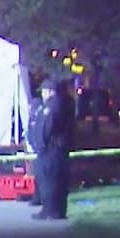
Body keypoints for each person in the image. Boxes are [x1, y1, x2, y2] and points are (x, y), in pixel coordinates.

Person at [33, 77, 75, 220]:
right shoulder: (65, 103)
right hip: (59, 150)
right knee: (58, 182)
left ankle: (50, 211)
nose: (42, 94)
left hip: (51, 150)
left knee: (49, 182)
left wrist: (41, 144)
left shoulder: (51, 106)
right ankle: (57, 211)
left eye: (44, 91)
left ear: (50, 91)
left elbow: (46, 127)